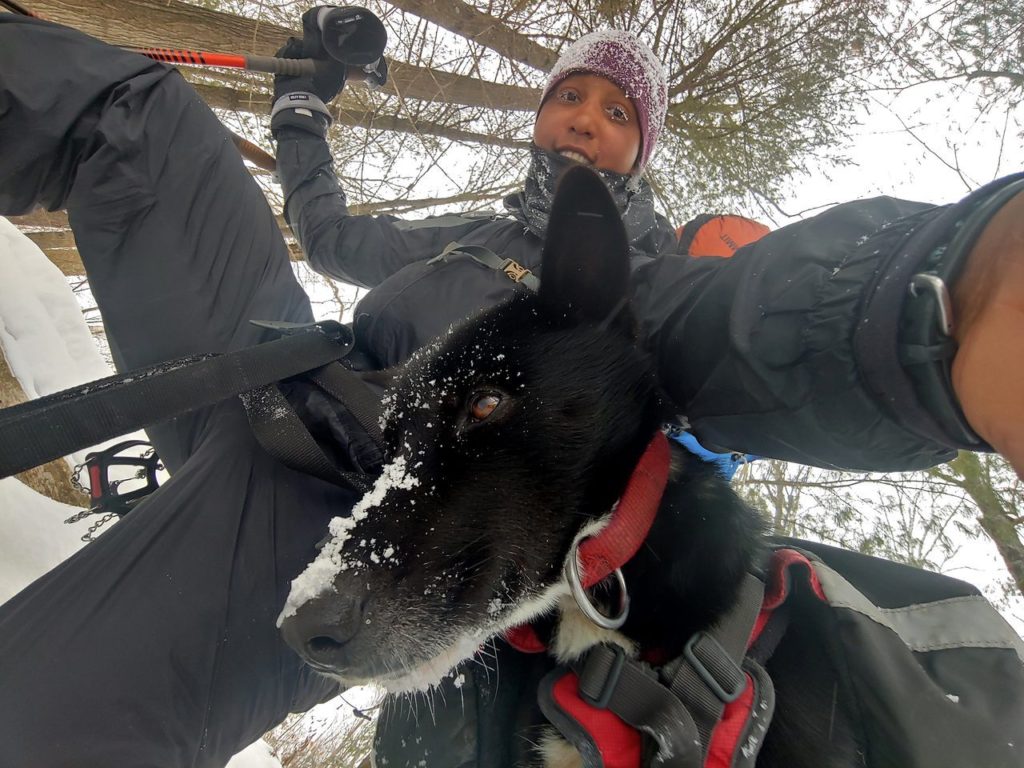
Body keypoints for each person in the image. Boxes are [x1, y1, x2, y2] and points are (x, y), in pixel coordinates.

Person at [0, 11, 1021, 768]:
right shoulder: (461, 240)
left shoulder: (641, 284)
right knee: (126, 113)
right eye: (566, 96)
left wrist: (944, 297)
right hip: (261, 366)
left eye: (614, 111)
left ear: (640, 144)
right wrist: (304, 105)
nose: (582, 117)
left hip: (338, 520)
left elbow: (746, 325)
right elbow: (327, 235)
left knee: (28, 722)